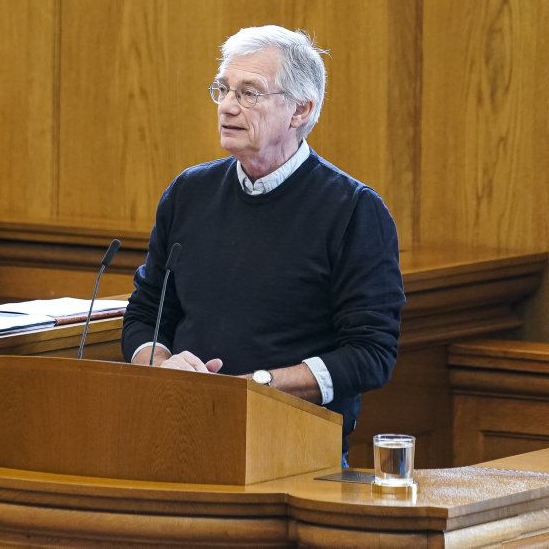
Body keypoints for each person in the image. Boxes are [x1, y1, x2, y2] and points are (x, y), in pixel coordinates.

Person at [121, 25, 405, 454]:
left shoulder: (352, 209)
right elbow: (145, 314)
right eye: (223, 89)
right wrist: (162, 366)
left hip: (292, 447)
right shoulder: (189, 193)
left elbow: (371, 353)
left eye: (249, 93)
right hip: (180, 429)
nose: (228, 107)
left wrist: (256, 388)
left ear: (300, 110)